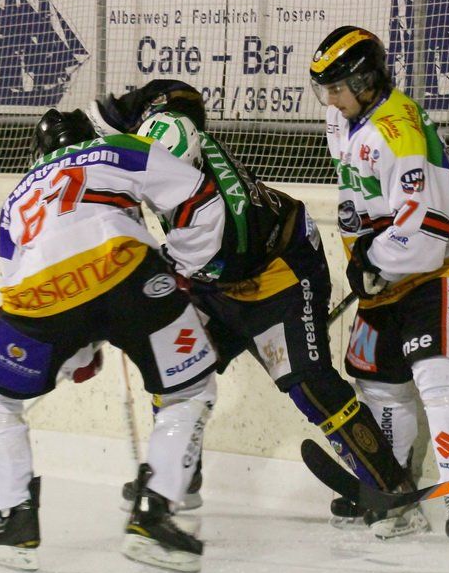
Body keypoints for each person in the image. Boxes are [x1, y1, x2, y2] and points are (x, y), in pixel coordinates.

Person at [86, 80, 419, 534]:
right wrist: (122, 112)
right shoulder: (173, 140)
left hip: (282, 274)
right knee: (175, 365)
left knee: (311, 385)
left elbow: (170, 274)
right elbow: (182, 95)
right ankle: (176, 477)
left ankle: (393, 488)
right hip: (219, 276)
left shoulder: (216, 221)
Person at [0, 108, 222, 573]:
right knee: (189, 389)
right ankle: (154, 516)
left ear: (39, 154)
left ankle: (13, 521)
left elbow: (12, 275)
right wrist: (179, 270)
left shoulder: (18, 195)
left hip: (42, 292)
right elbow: (200, 200)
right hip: (128, 271)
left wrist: (77, 347)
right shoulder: (120, 146)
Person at [309, 26, 449, 549]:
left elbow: (429, 232)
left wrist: (374, 258)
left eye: (336, 88)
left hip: (441, 268)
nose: (330, 100)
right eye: (324, 89)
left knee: (439, 374)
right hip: (385, 274)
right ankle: (393, 489)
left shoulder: (399, 133)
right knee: (378, 381)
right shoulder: (343, 117)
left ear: (365, 81)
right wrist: (367, 260)